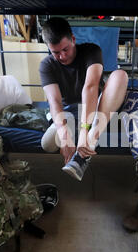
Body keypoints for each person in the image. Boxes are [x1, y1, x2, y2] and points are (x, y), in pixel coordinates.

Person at [39, 17, 128, 181]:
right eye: (56, 52)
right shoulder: (47, 65)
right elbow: (54, 102)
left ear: (73, 39)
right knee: (48, 143)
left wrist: (84, 132)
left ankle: (91, 140)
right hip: (70, 113)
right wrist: (64, 134)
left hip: (97, 107)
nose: (62, 56)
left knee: (120, 75)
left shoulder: (91, 51)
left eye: (65, 49)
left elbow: (91, 86)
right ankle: (82, 142)